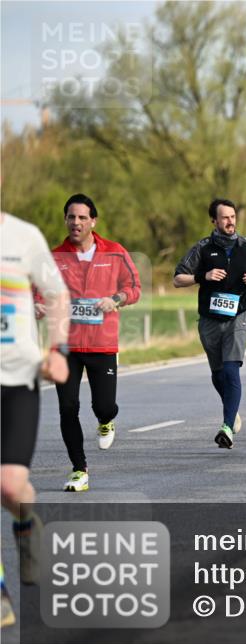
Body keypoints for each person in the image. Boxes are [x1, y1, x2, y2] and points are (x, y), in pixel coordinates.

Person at [1, 211, 70, 627]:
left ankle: (26, 524)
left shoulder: (24, 237)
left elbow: (57, 296)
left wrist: (57, 352)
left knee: (9, 486)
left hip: (17, 377)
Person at [48, 194, 142, 492]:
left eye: (81, 218)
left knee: (104, 405)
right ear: (65, 220)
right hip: (65, 345)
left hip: (102, 344)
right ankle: (79, 469)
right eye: (71, 217)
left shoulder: (114, 253)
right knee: (67, 407)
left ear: (93, 221)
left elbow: (134, 287)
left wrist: (116, 299)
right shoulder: (53, 257)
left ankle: (106, 420)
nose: (75, 223)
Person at [173, 199, 246, 449]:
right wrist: (204, 276)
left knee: (231, 369)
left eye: (233, 216)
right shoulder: (202, 248)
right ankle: (232, 412)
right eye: (224, 217)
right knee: (218, 373)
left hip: (238, 317)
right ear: (214, 221)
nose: (230, 221)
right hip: (210, 320)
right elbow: (177, 279)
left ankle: (226, 427)